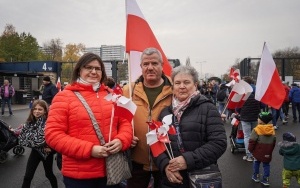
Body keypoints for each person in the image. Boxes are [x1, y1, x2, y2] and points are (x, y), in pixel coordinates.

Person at [45, 52, 133, 188]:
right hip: (79, 176)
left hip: (111, 170)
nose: (93, 72)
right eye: (88, 67)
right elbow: (53, 135)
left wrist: (122, 141)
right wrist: (89, 150)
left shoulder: (113, 95)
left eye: (98, 68)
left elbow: (125, 123)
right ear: (79, 70)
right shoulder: (63, 97)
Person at [154, 65, 227, 187]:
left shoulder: (208, 108)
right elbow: (156, 144)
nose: (182, 86)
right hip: (173, 180)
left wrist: (187, 160)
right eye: (177, 83)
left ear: (195, 84)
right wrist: (166, 166)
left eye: (186, 82)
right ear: (173, 86)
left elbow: (218, 143)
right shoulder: (165, 113)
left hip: (201, 179)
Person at [122, 47, 173, 188]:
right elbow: (120, 121)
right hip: (136, 161)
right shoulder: (128, 91)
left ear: (162, 66)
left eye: (154, 63)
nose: (150, 68)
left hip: (166, 161)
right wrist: (126, 137)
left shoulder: (174, 90)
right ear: (141, 67)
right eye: (146, 64)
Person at [18, 99, 57, 188]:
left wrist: (52, 149)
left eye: (40, 109)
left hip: (47, 153)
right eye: (35, 109)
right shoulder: (29, 123)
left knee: (49, 174)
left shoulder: (49, 123)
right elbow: (23, 136)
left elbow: (56, 138)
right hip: (35, 152)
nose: (37, 111)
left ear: (45, 111)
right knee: (28, 177)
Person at [248, 112, 276, 186]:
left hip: (258, 151)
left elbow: (252, 141)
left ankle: (256, 176)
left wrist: (250, 149)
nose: (257, 119)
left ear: (261, 121)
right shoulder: (272, 129)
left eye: (258, 118)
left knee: (256, 162)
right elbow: (273, 142)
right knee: (266, 165)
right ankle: (265, 179)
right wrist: (270, 150)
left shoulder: (256, 129)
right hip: (268, 151)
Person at [237, 76, 261, 162]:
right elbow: (261, 106)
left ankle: (249, 155)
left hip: (245, 118)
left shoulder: (242, 95)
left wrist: (239, 113)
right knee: (255, 136)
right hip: (255, 117)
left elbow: (238, 108)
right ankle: (255, 154)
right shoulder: (256, 94)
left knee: (247, 136)